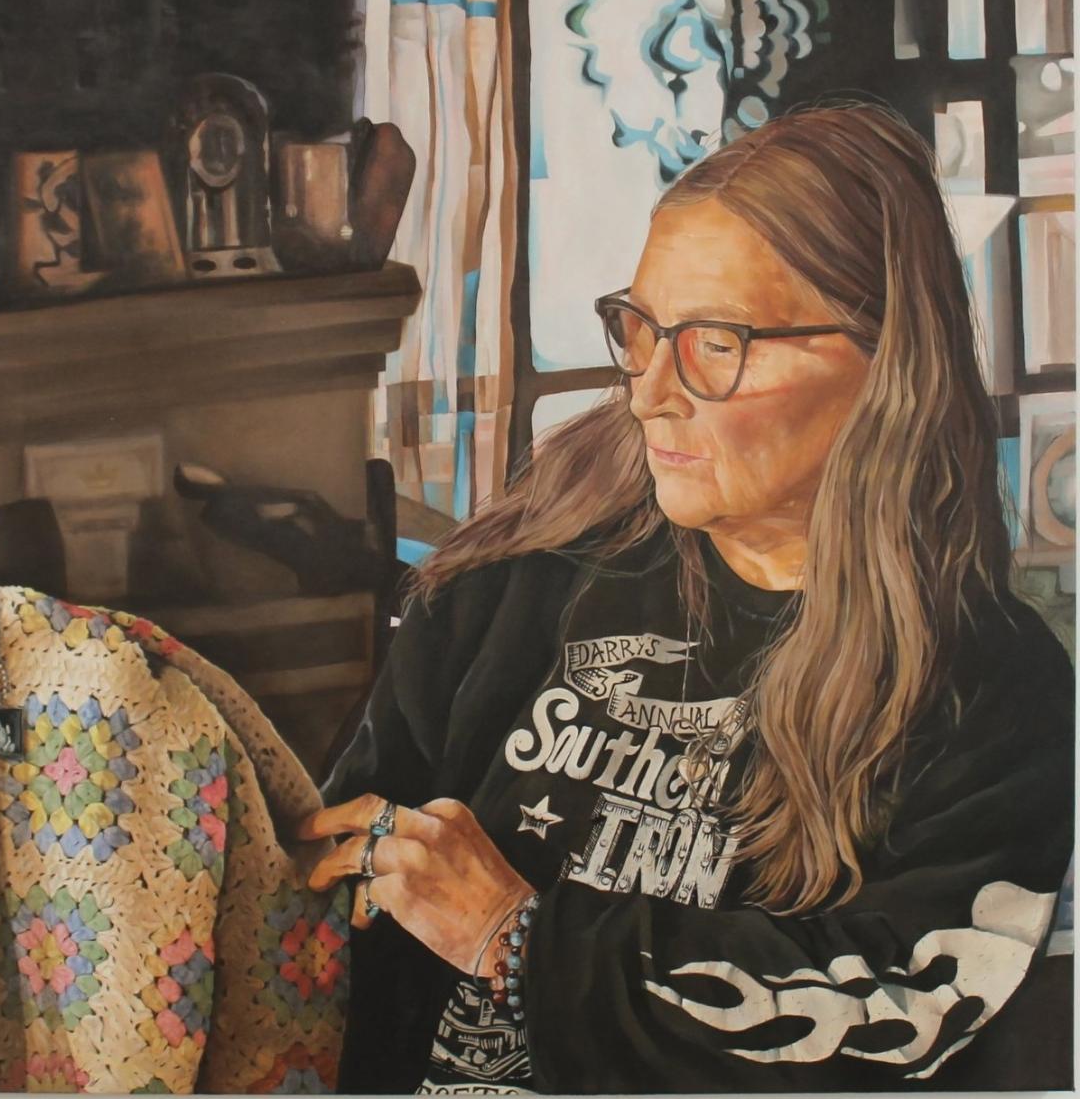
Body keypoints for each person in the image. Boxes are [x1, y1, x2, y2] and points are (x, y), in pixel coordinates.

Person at [299, 103, 1074, 1094]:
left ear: (884, 362)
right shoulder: (511, 587)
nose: (647, 391)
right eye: (641, 330)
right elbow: (334, 887)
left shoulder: (990, 689)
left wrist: (518, 937)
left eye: (715, 342)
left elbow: (895, 1011)